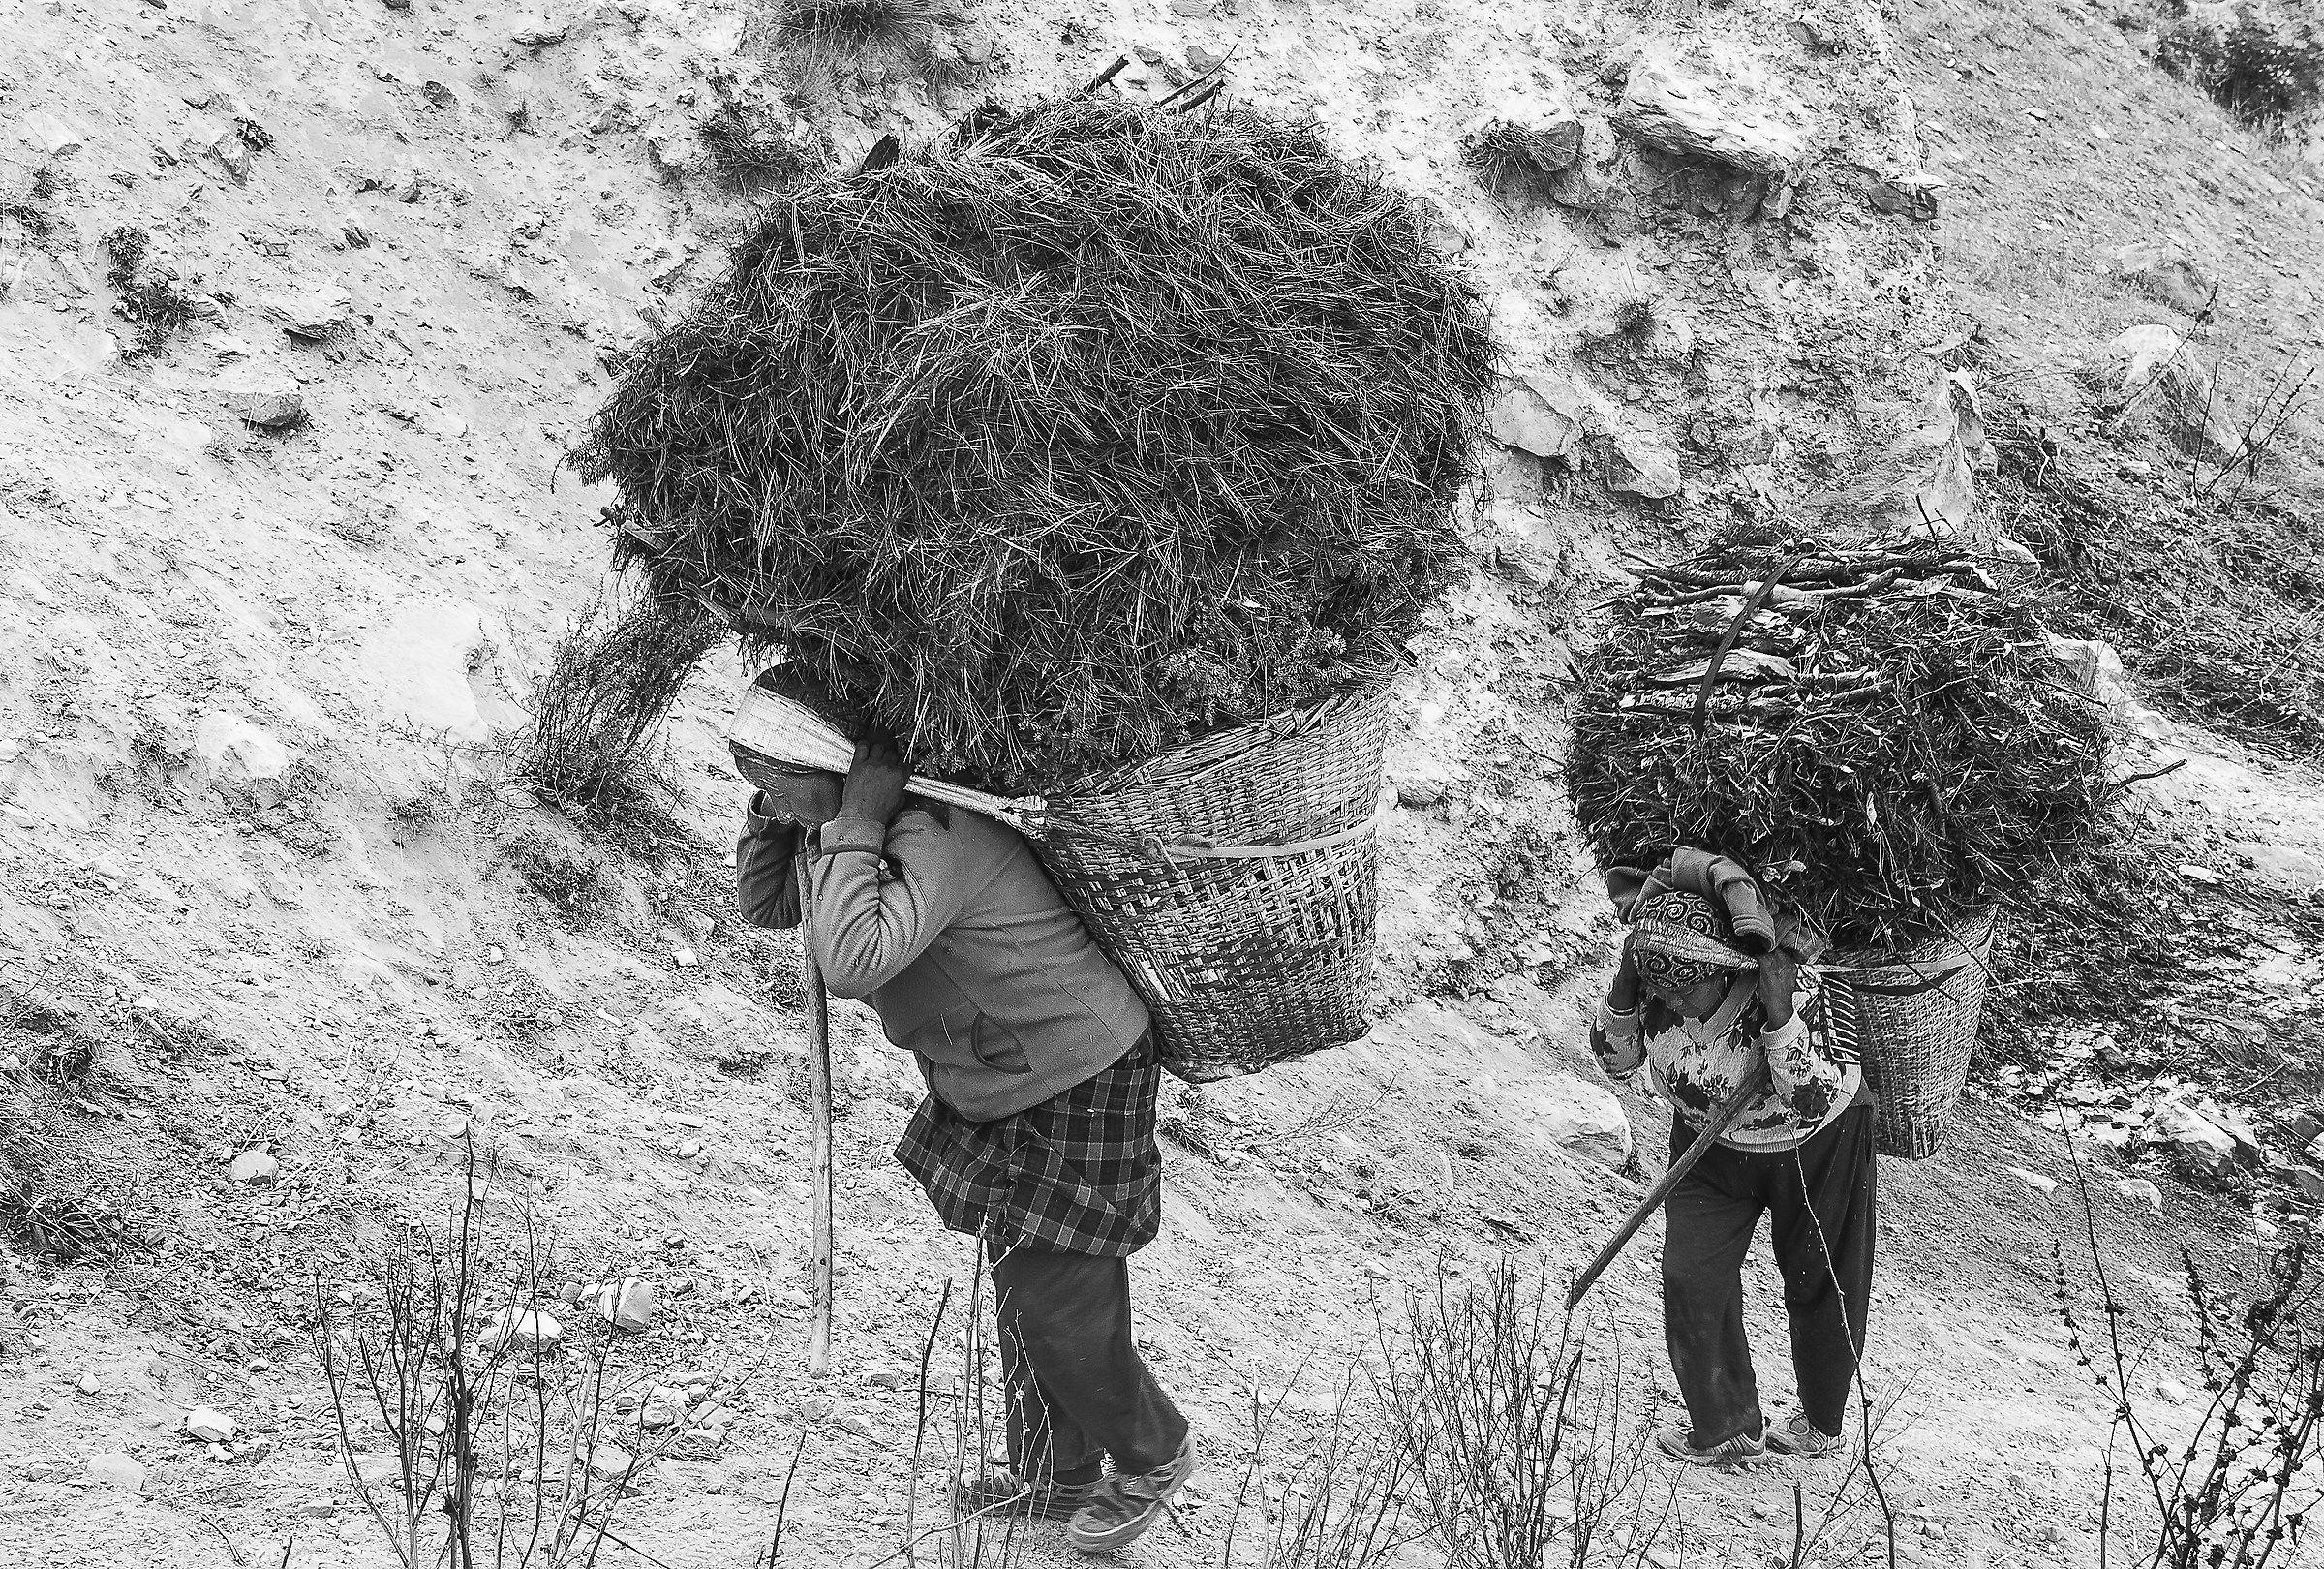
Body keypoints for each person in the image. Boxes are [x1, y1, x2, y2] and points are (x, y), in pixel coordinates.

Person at [730, 671, 1197, 1553]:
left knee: (1054, 1295)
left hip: (1073, 1064)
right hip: (1002, 1072)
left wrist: (853, 823)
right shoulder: (840, 833)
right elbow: (767, 906)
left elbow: (852, 961)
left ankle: (1153, 1451)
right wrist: (787, 818)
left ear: (835, 771)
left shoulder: (931, 834)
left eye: (771, 777)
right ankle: (1056, 1483)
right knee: (1026, 1284)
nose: (759, 793)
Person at [1588, 848, 1874, 1466]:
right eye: (1661, 982)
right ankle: (1726, 1423)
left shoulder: (1799, 991)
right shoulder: (1656, 983)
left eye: (1686, 986)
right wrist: (1626, 987)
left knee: (1819, 1278)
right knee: (1692, 1275)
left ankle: (1821, 1421)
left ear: (1723, 971)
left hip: (1813, 1140)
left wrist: (1778, 1018)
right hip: (1706, 1144)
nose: (1674, 1000)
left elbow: (1807, 1098)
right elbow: (1616, 1059)